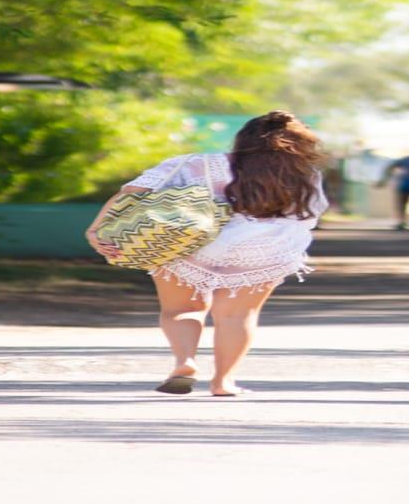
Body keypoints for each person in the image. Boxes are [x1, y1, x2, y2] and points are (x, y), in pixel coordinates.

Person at [84, 110, 329, 398]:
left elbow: (132, 192)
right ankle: (223, 382)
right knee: (237, 316)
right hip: (261, 249)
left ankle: (185, 362)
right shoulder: (303, 175)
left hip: (192, 242)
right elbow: (309, 215)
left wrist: (96, 229)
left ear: (242, 139)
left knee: (181, 310)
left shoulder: (196, 163)